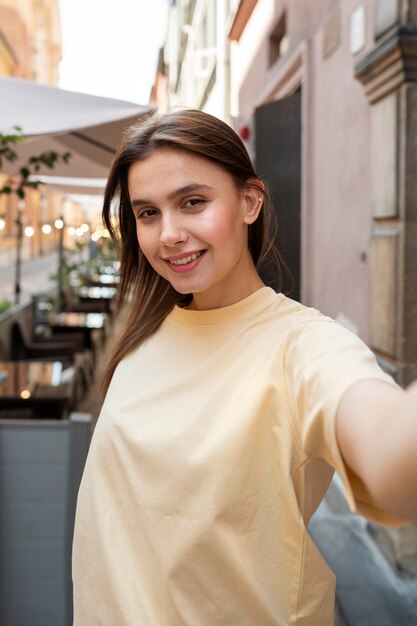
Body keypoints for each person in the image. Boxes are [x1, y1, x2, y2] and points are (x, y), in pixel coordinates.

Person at [72, 108, 417, 626]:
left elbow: (392, 461)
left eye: (193, 202)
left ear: (249, 201)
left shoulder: (304, 346)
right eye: (147, 213)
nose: (168, 234)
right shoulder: (144, 332)